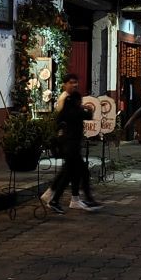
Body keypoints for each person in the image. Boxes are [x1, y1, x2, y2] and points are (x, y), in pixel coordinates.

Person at [40, 74, 101, 213]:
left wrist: (85, 110)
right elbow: (64, 118)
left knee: (72, 172)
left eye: (76, 82)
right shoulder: (66, 99)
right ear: (65, 84)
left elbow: (82, 116)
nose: (74, 85)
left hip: (73, 142)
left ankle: (64, 197)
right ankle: (58, 199)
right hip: (69, 142)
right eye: (71, 82)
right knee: (74, 172)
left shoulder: (73, 98)